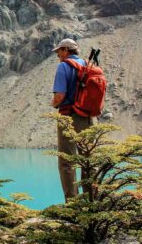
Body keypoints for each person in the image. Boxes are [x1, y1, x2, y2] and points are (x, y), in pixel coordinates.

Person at [50, 38, 95, 201]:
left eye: (59, 52)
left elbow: (59, 96)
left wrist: (54, 103)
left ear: (65, 51)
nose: (58, 56)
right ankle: (91, 199)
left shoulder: (64, 66)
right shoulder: (89, 65)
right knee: (88, 158)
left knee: (67, 160)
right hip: (90, 118)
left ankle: (73, 202)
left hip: (69, 117)